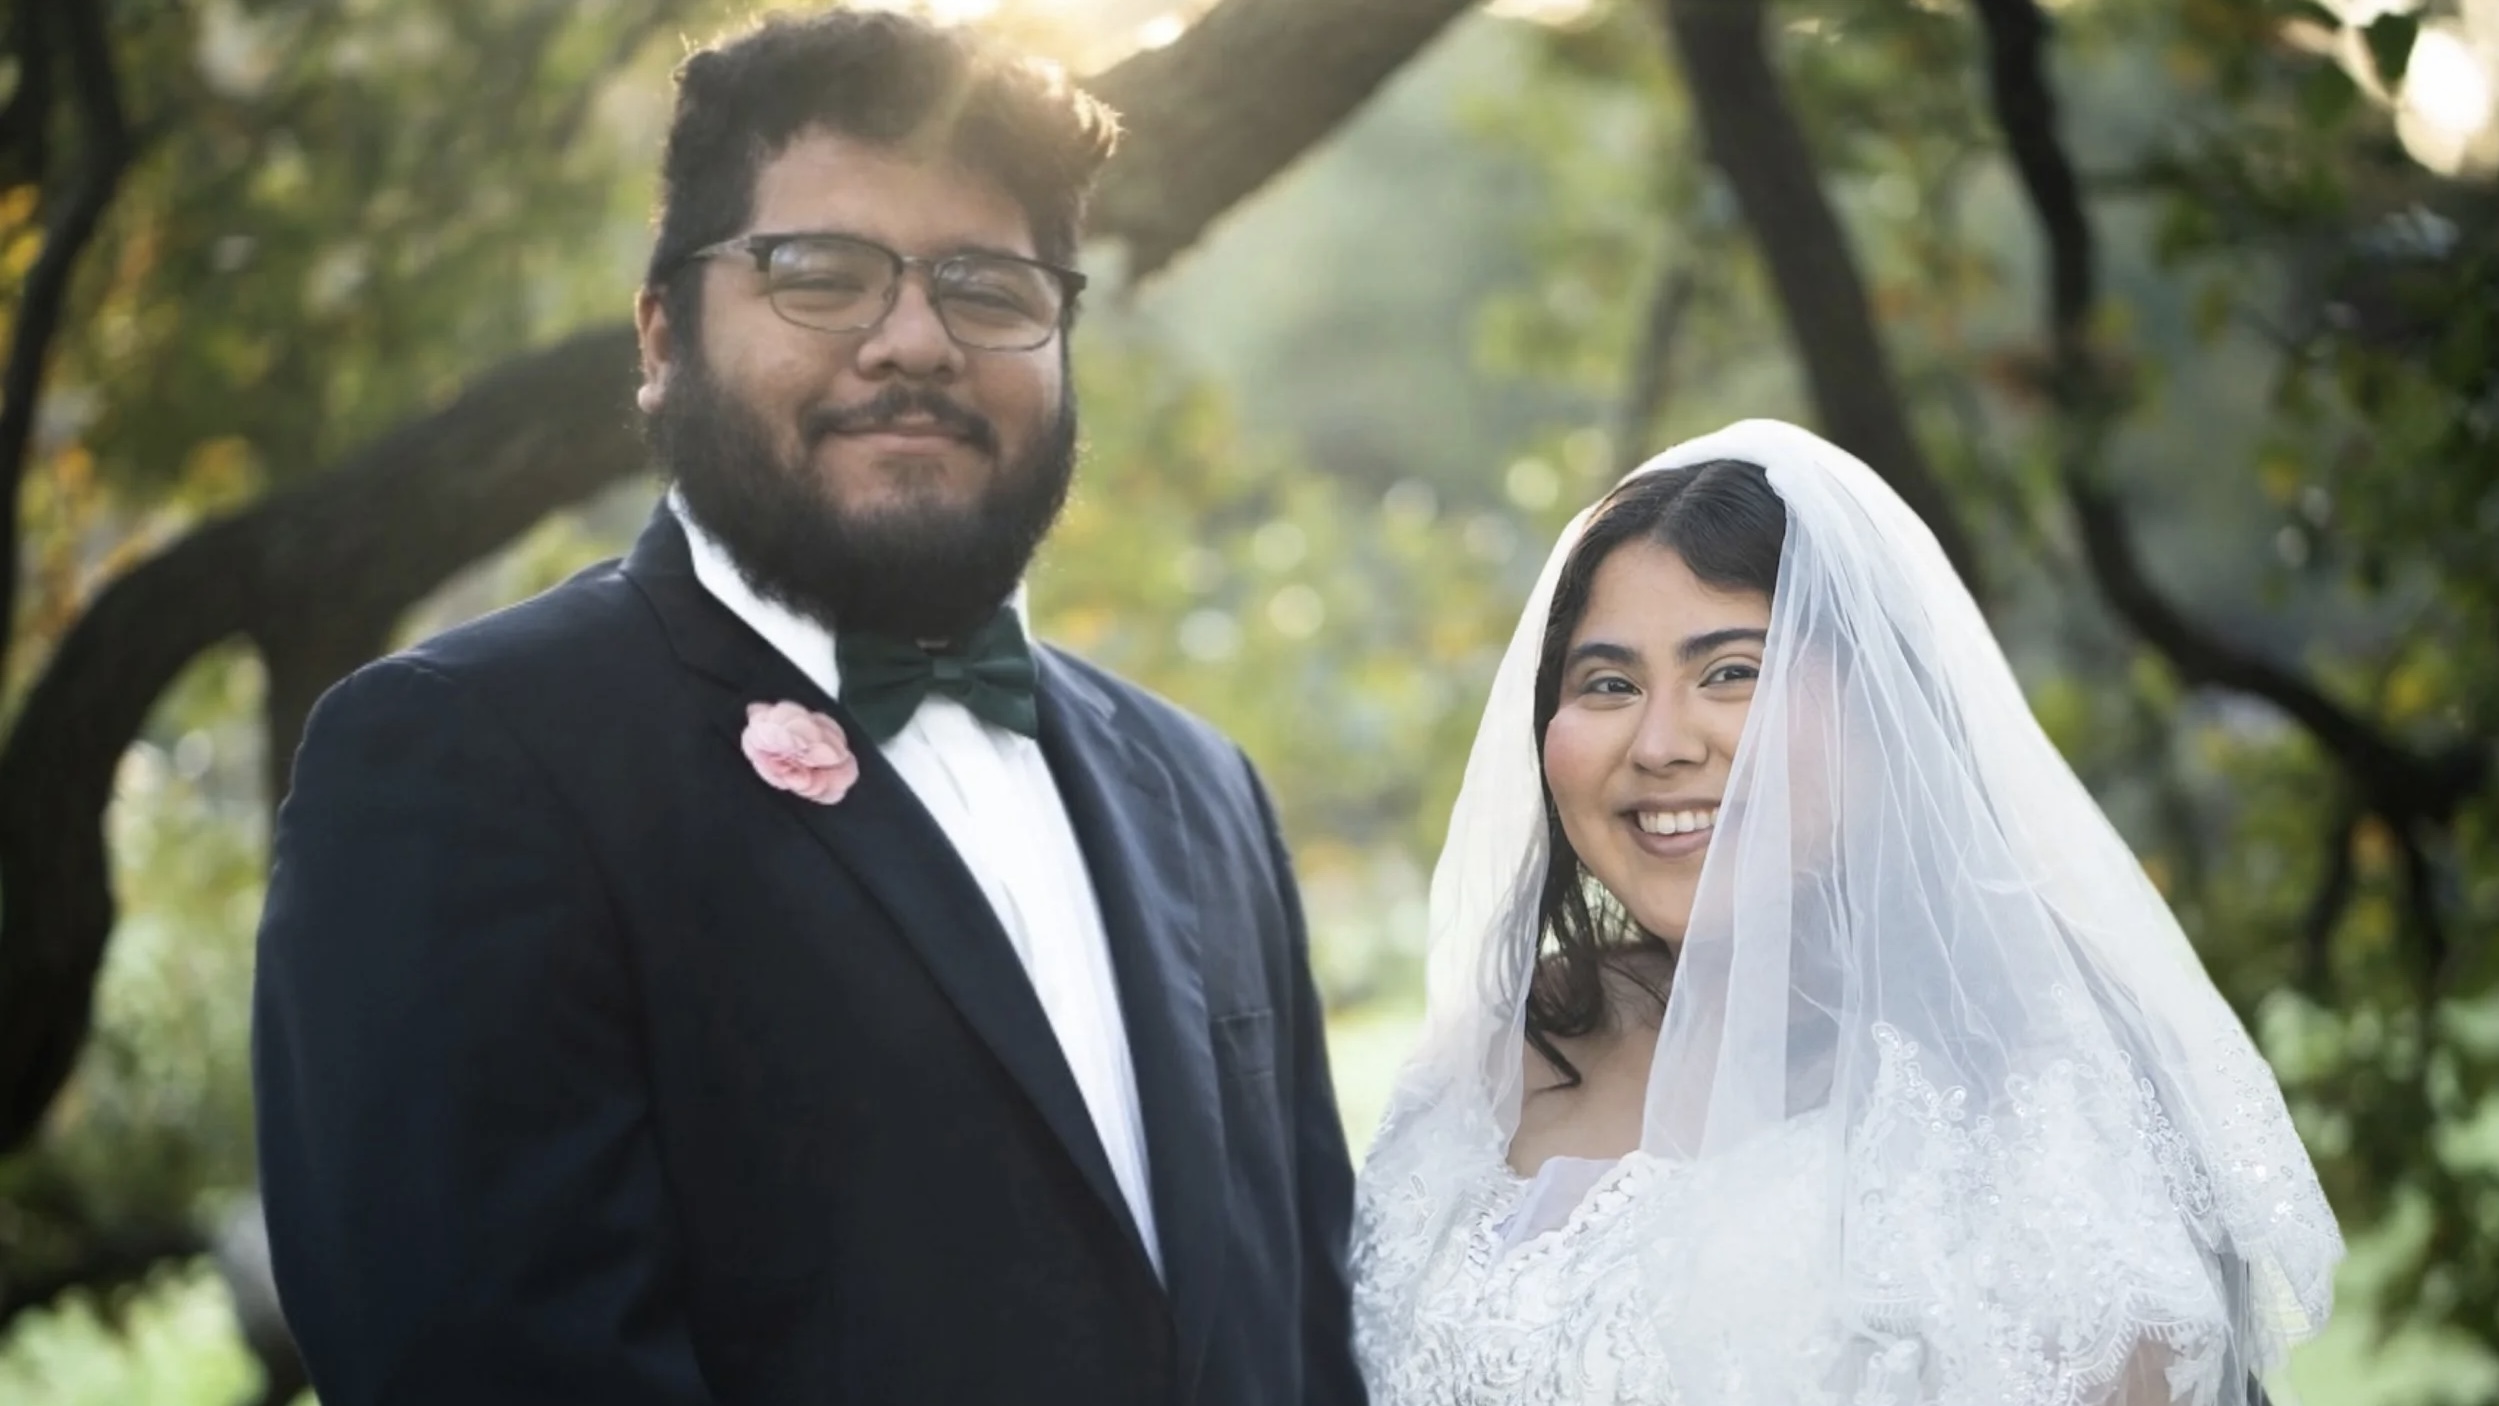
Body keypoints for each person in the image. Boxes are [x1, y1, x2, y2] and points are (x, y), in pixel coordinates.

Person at [252, 12, 1364, 1405]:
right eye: (821, 277)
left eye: (988, 288)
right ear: (664, 336)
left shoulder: (1204, 786)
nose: (915, 343)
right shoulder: (465, 757)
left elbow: (1311, 1338)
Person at [1350, 420, 2342, 1405]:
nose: (1659, 743)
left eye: (1731, 672)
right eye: (1608, 683)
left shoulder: (2037, 1086)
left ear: (1878, 711)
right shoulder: (1504, 1050)